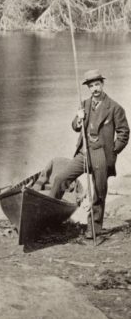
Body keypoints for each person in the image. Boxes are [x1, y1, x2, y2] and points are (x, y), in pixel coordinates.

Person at [49, 69, 129, 238]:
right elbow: (75, 126)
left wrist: (112, 151)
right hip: (84, 152)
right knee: (60, 179)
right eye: (91, 86)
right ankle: (50, 218)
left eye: (97, 84)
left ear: (102, 84)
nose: (95, 89)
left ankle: (94, 229)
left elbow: (124, 133)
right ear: (88, 88)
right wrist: (78, 118)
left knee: (99, 192)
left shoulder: (115, 108)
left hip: (102, 154)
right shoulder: (84, 104)